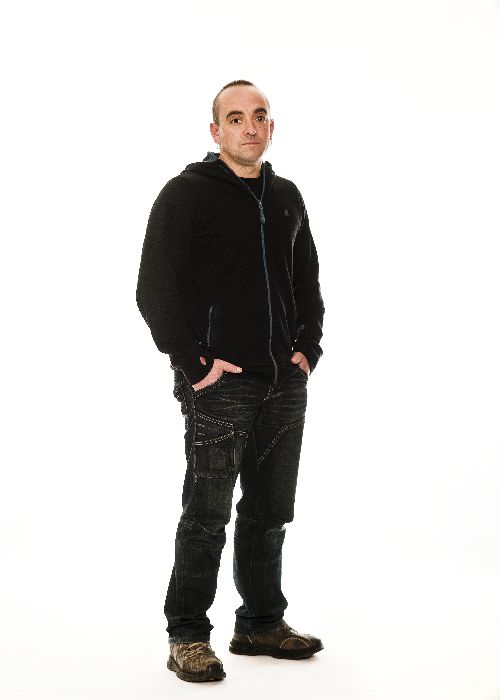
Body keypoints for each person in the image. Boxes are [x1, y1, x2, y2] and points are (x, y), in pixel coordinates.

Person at [136, 79, 326, 683]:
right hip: (221, 384)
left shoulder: (287, 196)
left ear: (271, 127)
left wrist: (307, 349)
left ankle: (261, 623)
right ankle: (188, 635)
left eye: (260, 116)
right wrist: (195, 363)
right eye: (236, 117)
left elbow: (307, 281)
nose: (250, 126)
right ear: (216, 131)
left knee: (270, 512)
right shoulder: (186, 194)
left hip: (283, 384)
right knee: (206, 516)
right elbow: (154, 287)